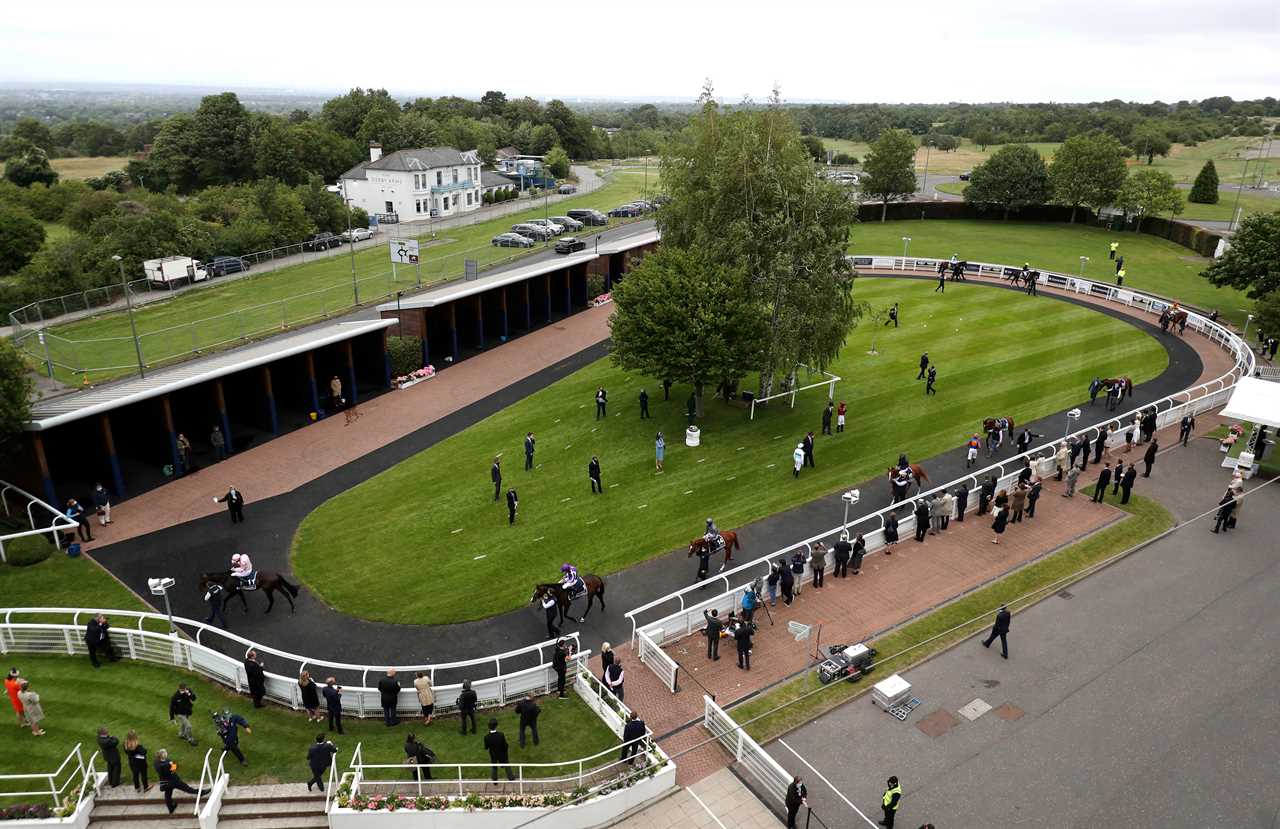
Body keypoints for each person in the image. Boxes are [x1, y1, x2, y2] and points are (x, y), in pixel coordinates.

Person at [154, 748, 199, 813]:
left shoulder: (157, 762)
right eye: (165, 752)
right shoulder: (166, 764)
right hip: (174, 781)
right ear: (162, 755)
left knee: (168, 795)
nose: (167, 753)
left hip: (165, 783)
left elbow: (172, 767)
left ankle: (171, 808)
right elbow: (173, 769)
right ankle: (200, 793)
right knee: (187, 788)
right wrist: (172, 764)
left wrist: (172, 764)